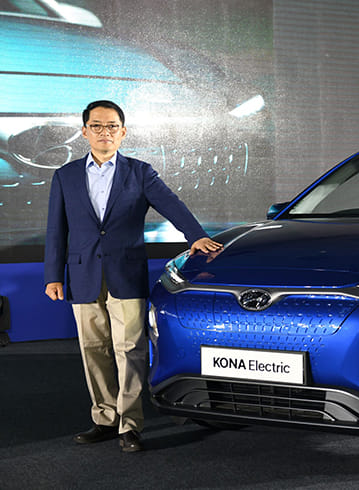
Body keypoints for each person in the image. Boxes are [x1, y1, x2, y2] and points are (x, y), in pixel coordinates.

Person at [44, 100, 222, 452]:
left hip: (126, 272)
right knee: (93, 349)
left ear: (123, 132)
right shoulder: (65, 176)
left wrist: (195, 236)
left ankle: (129, 425)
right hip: (82, 274)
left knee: (130, 350)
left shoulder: (140, 172)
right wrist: (53, 275)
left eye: (112, 126)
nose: (105, 132)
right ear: (84, 132)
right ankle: (104, 419)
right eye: (97, 126)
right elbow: (56, 229)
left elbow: (171, 204)